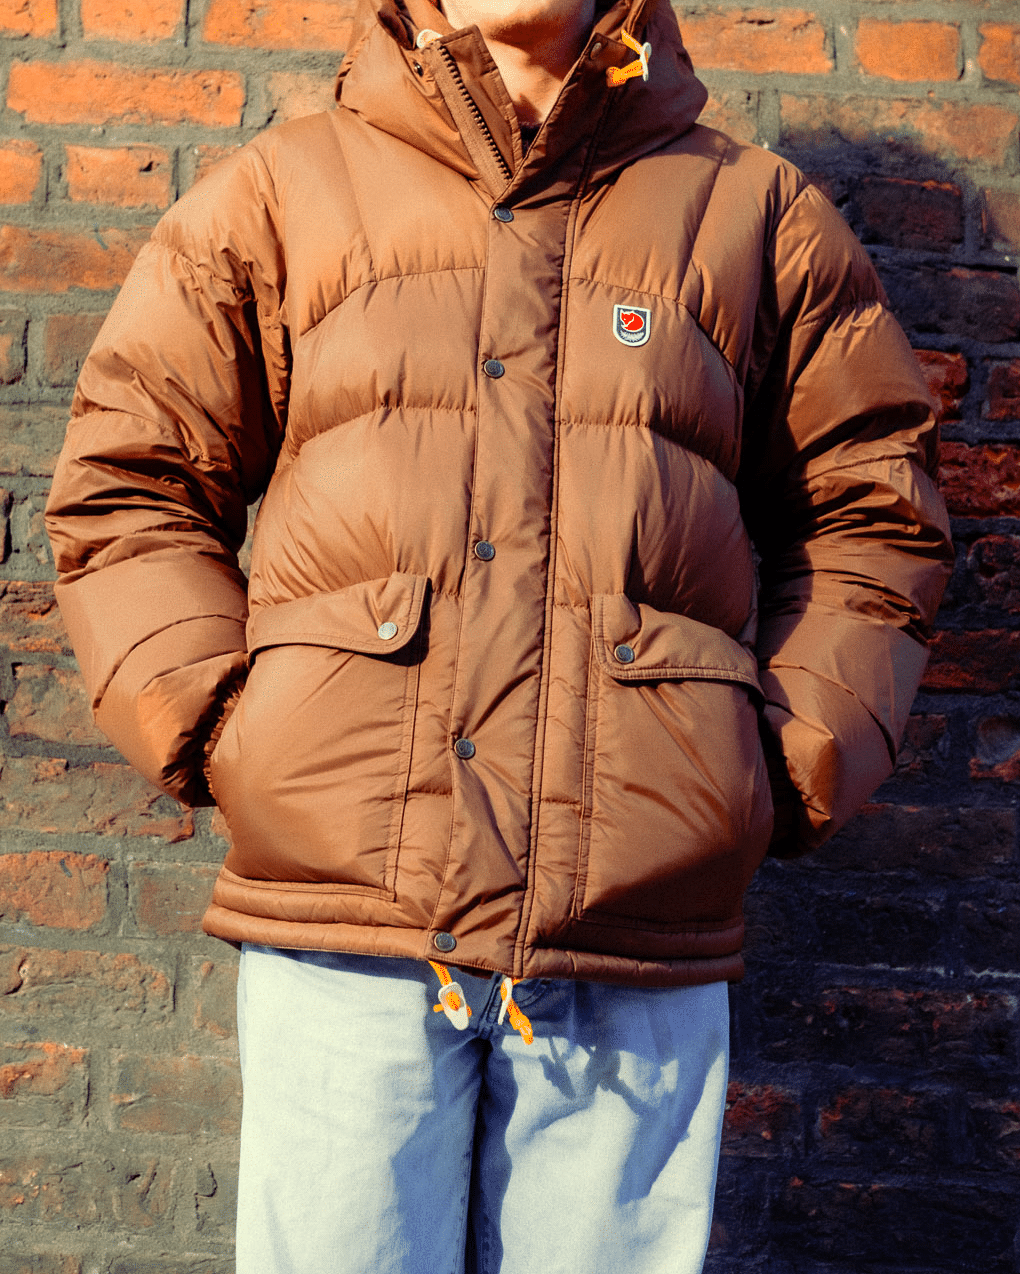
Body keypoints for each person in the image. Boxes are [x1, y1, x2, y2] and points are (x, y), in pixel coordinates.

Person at [44, 0, 953, 1270]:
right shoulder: (283, 190)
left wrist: (781, 761)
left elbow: (874, 509)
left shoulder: (750, 213)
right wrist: (222, 725)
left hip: (635, 922)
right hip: (348, 916)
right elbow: (130, 481)